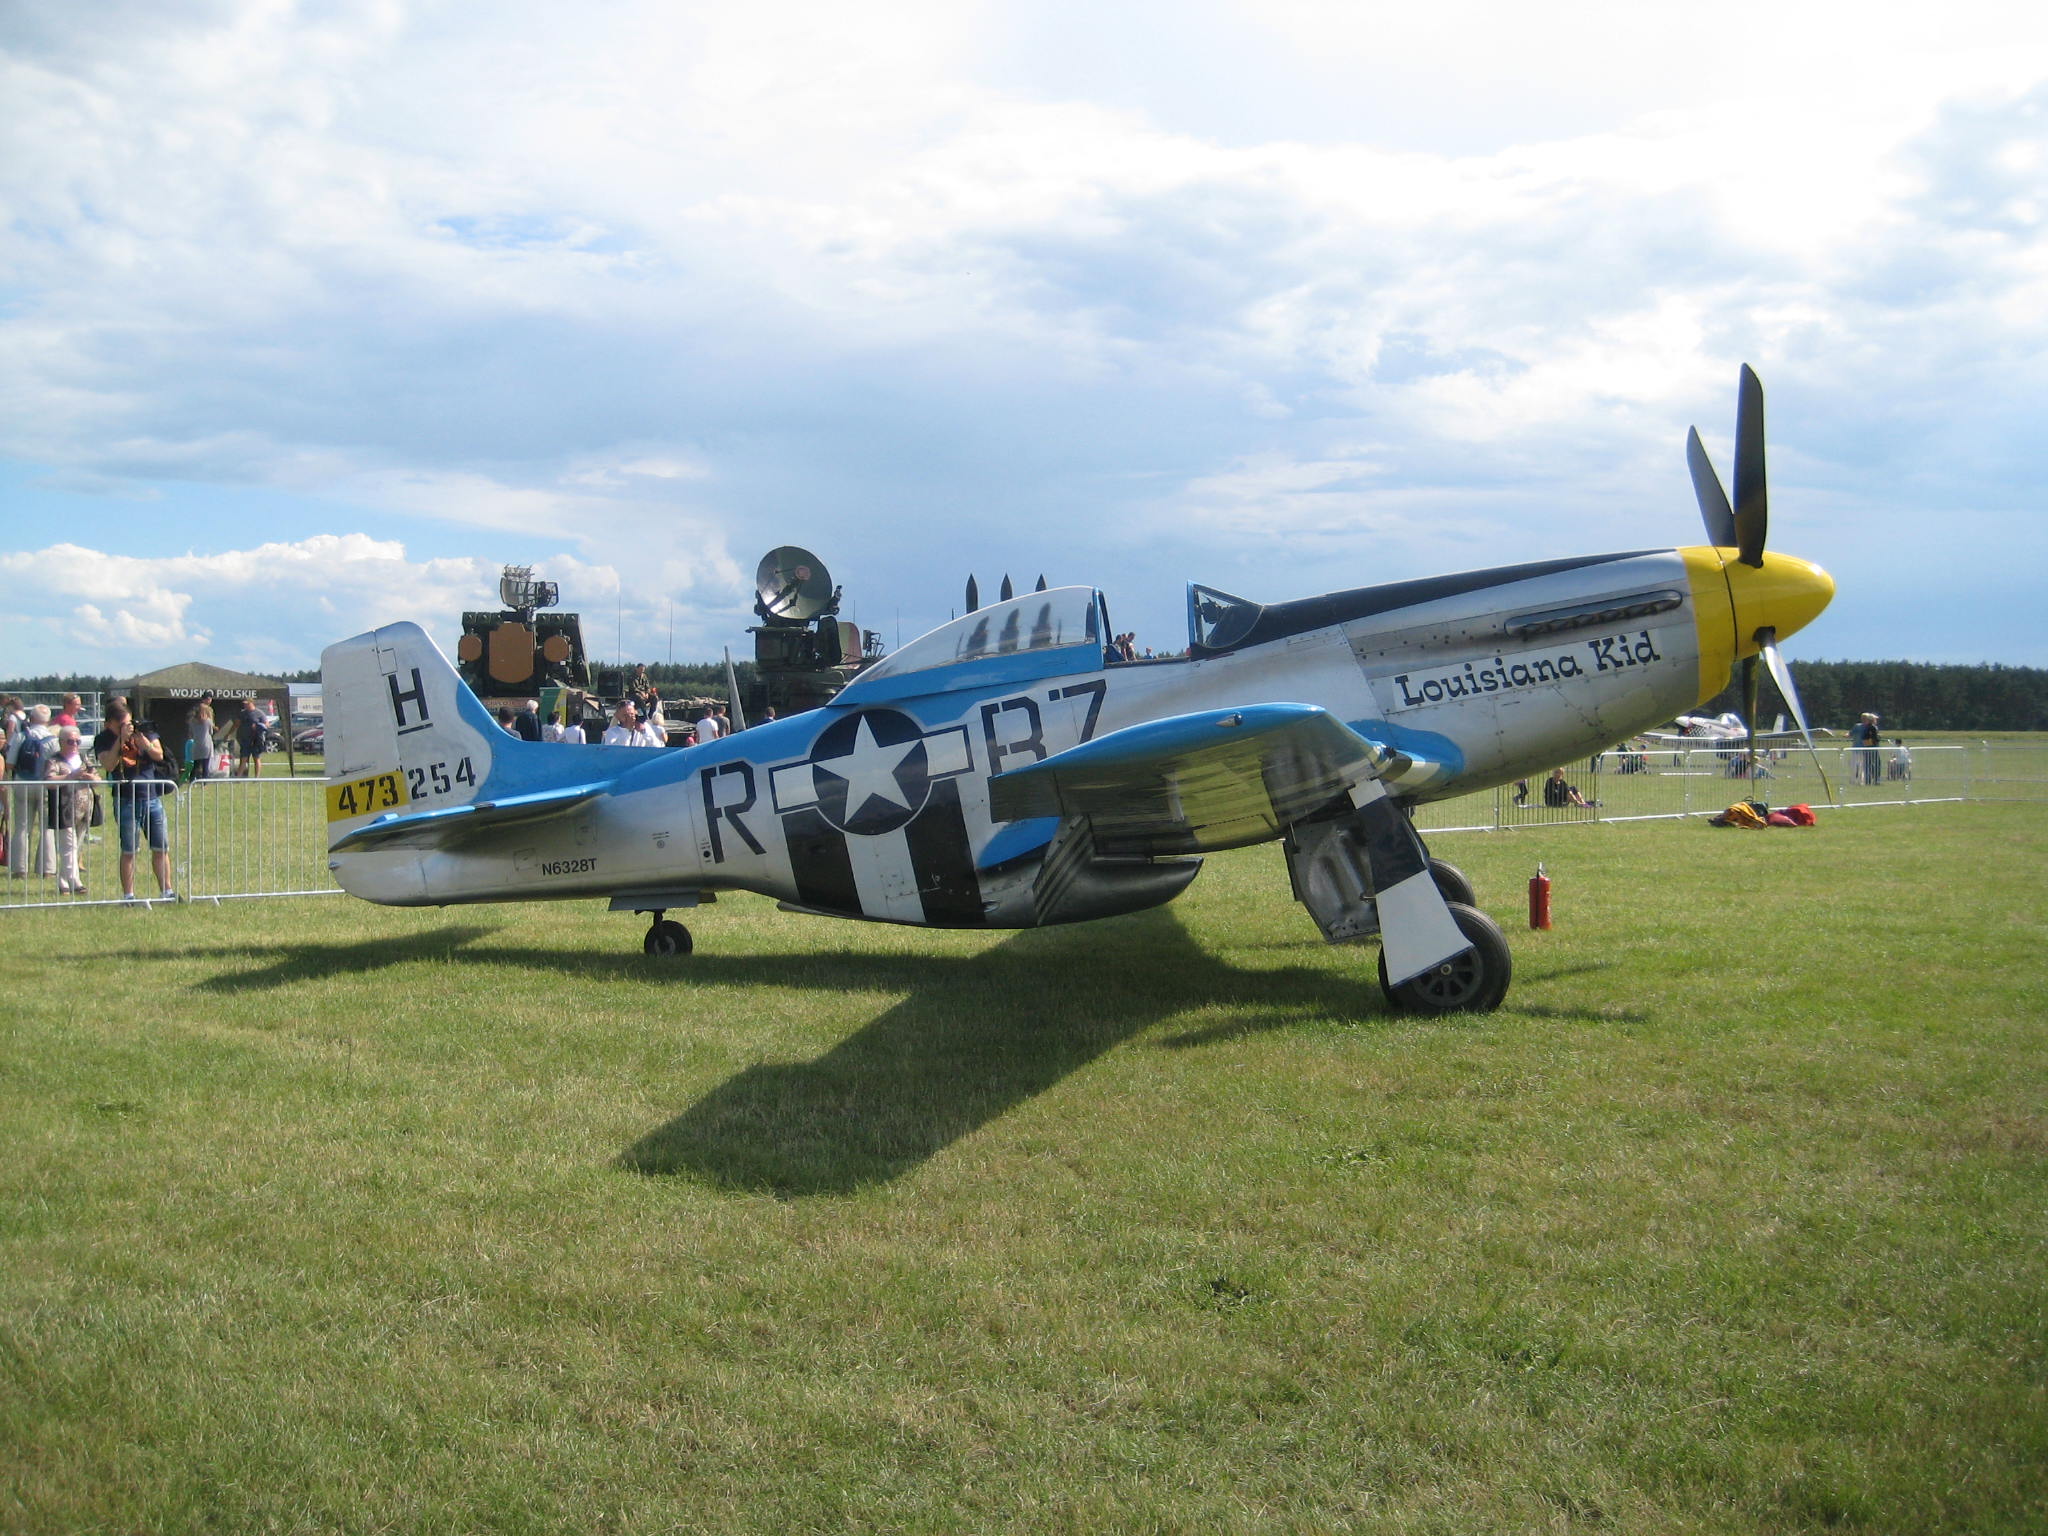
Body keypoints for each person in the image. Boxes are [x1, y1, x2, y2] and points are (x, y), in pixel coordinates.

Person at [95, 702, 176, 901]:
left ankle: (167, 891)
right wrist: (120, 741)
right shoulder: (103, 739)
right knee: (129, 849)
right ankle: (128, 895)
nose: (129, 727)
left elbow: (159, 755)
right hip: (125, 799)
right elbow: (108, 763)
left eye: (130, 723)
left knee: (161, 847)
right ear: (110, 724)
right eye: (123, 724)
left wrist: (145, 743)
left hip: (151, 797)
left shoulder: (145, 732)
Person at [42, 724, 98, 895]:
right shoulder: (54, 760)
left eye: (77, 741)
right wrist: (70, 776)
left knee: (76, 845)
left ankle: (63, 882)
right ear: (61, 742)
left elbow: (97, 779)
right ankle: (76, 882)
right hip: (64, 807)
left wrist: (91, 777)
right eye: (70, 741)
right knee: (68, 845)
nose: (74, 744)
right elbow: (49, 781)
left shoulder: (83, 758)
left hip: (84, 808)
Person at [9, 705, 58, 879]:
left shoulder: (21, 736)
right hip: (45, 784)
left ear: (31, 718)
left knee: (22, 826)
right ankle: (47, 869)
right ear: (49, 720)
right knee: (47, 828)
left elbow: (10, 763)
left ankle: (19, 868)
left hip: (23, 782)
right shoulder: (53, 740)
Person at [186, 694, 217, 782]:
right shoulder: (208, 721)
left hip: (196, 744)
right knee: (205, 765)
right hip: (206, 744)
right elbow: (211, 731)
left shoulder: (192, 722)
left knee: (196, 764)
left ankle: (191, 780)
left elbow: (191, 733)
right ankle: (204, 782)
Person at [237, 697, 268, 778]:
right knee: (243, 759)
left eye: (247, 703)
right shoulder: (243, 713)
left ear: (251, 703)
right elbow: (237, 724)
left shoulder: (259, 713)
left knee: (256, 758)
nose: (245, 705)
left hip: (256, 739)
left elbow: (267, 724)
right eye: (244, 704)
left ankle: (256, 778)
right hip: (245, 739)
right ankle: (238, 778)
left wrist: (258, 726)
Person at [1848, 711, 1880, 785]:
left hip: (1864, 748)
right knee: (1855, 765)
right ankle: (1854, 780)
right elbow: (1852, 733)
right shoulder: (1859, 726)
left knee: (1862, 766)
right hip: (1858, 748)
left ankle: (1860, 780)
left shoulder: (1869, 727)